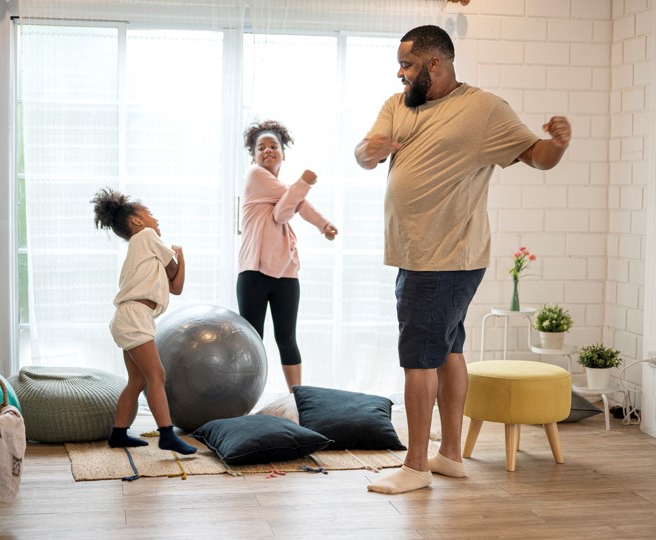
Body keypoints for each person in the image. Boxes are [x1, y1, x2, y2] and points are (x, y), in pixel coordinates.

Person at [354, 25, 571, 494]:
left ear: (435, 64)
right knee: (449, 350)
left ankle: (415, 466)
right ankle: (450, 455)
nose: (399, 72)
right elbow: (364, 151)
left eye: (407, 65)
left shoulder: (484, 110)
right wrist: (366, 153)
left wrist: (556, 144)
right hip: (416, 254)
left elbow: (537, 157)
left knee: (418, 359)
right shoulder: (399, 105)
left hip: (446, 256)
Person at [92, 188, 196, 455]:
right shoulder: (147, 237)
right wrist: (179, 258)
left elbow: (176, 288)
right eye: (150, 214)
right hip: (135, 316)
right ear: (137, 221)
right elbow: (175, 275)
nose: (156, 219)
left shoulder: (144, 248)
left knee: (137, 380)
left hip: (132, 316)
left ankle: (118, 433)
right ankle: (167, 434)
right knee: (157, 375)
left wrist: (180, 258)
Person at [237, 120, 339, 392]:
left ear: (283, 152)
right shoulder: (255, 176)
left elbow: (285, 209)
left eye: (273, 146)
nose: (267, 151)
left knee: (287, 339)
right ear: (253, 155)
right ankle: (244, 398)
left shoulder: (281, 188)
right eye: (261, 148)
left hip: (285, 273)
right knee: (252, 339)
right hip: (254, 272)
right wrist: (305, 183)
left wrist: (324, 225)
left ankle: (298, 398)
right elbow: (290, 206)